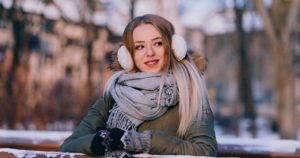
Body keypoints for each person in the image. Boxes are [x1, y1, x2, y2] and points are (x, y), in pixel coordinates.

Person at [60, 14, 217, 157]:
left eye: (158, 43)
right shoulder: (114, 95)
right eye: (139, 46)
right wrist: (108, 140)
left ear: (173, 47)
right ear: (128, 56)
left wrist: (144, 141)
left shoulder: (191, 93)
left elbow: (205, 151)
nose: (149, 53)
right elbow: (69, 146)